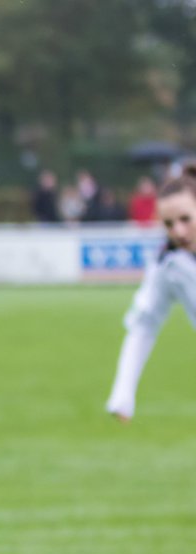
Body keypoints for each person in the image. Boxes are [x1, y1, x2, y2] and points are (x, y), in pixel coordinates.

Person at [105, 163, 196, 422]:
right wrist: (123, 393)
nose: (178, 231)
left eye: (185, 219)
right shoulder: (168, 264)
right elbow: (144, 325)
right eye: (169, 223)